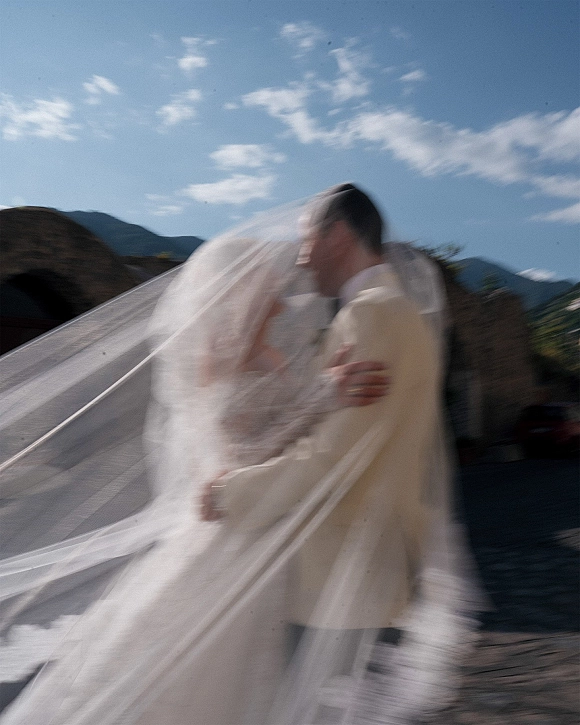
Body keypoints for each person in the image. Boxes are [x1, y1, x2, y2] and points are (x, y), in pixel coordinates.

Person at [0, 186, 477, 725]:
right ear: (234, 298)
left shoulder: (372, 317)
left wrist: (248, 472)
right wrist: (318, 398)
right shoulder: (252, 356)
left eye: (304, 241)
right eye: (265, 287)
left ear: (335, 235)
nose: (290, 275)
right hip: (247, 546)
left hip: (302, 551)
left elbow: (325, 457)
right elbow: (251, 446)